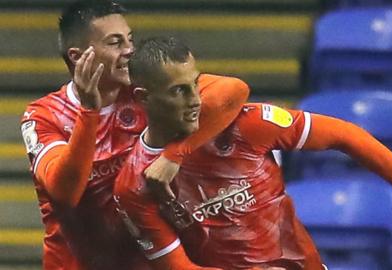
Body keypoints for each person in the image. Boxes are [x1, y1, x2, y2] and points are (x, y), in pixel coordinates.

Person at [114, 36, 392, 270]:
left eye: (195, 85)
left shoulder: (243, 126)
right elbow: (177, 267)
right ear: (144, 98)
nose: (194, 101)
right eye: (178, 92)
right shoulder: (132, 185)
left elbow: (345, 135)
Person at [19, 0, 249, 269]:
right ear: (78, 56)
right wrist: (89, 112)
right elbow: (65, 192)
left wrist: (175, 155)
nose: (129, 50)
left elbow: (234, 91)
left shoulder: (146, 90)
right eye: (115, 43)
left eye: (130, 39)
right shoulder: (44, 115)